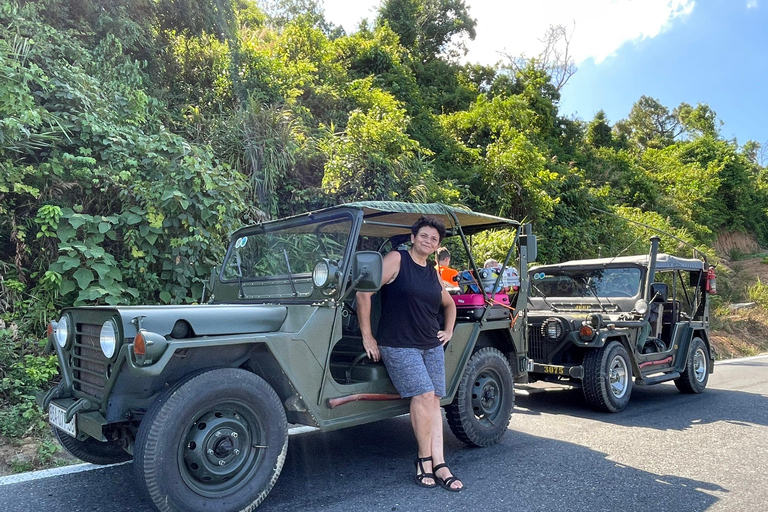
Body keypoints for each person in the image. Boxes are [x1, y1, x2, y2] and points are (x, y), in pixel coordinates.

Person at [356, 216, 463, 492]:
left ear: (437, 245)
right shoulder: (397, 259)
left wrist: (448, 331)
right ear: (413, 237)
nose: (428, 241)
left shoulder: (432, 271)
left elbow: (449, 304)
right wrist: (368, 335)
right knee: (424, 395)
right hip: (399, 343)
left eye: (434, 239)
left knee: (435, 400)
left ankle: (440, 463)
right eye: (424, 236)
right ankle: (423, 459)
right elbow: (364, 292)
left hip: (431, 343)